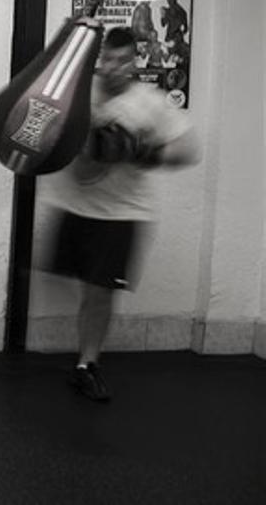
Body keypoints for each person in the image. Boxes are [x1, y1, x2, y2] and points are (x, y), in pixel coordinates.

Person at [43, 27, 199, 402]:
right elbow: (43, 125)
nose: (114, 67)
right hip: (74, 207)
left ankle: (87, 365)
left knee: (99, 291)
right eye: (108, 59)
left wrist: (143, 151)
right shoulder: (78, 93)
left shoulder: (151, 102)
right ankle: (85, 357)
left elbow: (188, 150)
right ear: (98, 60)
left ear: (135, 62)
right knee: (71, 282)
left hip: (121, 214)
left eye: (123, 60)